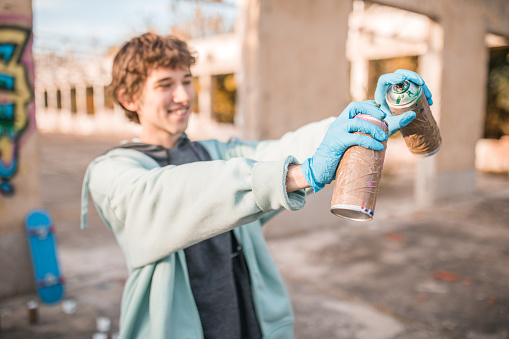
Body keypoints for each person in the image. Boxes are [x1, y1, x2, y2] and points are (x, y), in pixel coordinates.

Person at [80, 32, 431, 339]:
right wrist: (298, 174)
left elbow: (277, 152)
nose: (184, 95)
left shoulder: (215, 152)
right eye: (165, 85)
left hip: (247, 324)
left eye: (186, 80)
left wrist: (365, 115)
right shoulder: (112, 173)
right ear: (128, 98)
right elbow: (167, 196)